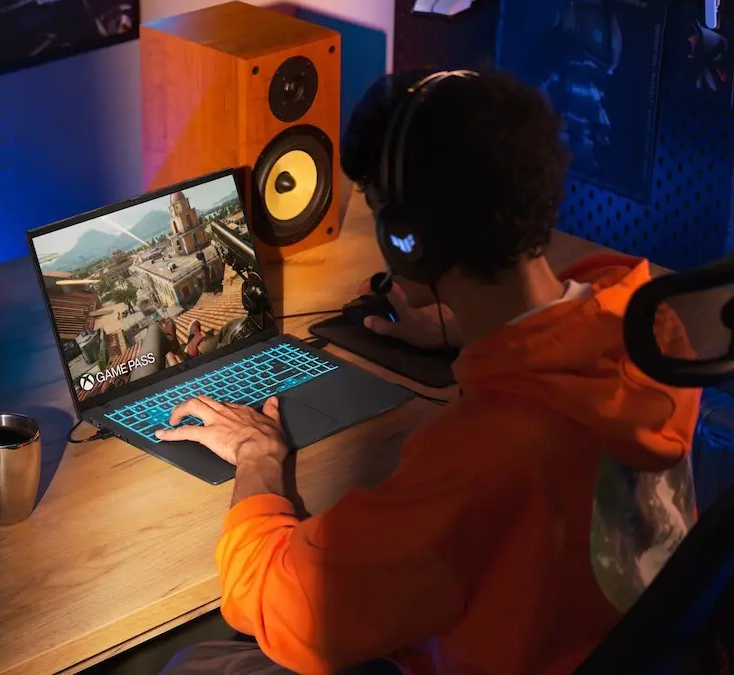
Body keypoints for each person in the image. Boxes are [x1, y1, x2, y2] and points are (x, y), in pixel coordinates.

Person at [155, 69, 702, 675]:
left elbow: (282, 606)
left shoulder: (481, 457)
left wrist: (258, 456)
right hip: (597, 639)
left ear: (407, 240)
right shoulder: (648, 322)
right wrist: (472, 325)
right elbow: (559, 327)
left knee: (190, 664)